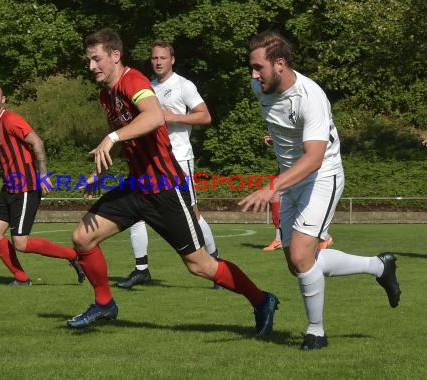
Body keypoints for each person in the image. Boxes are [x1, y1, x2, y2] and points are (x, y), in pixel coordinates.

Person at [66, 28, 279, 335]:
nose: (91, 67)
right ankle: (104, 304)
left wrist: (110, 137)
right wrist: (98, 173)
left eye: (96, 59)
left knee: (200, 266)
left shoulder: (134, 81)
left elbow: (154, 117)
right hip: (136, 186)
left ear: (115, 56)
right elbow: (131, 142)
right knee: (82, 238)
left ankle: (262, 300)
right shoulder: (107, 94)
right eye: (88, 61)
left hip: (165, 189)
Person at [239, 30, 401, 350]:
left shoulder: (310, 96)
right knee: (298, 263)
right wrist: (278, 138)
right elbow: (281, 119)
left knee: (302, 257)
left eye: (258, 67)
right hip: (290, 178)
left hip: (321, 175)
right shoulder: (260, 87)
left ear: (280, 64)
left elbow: (313, 158)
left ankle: (316, 332)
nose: (253, 74)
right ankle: (380, 266)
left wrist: (271, 186)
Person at [0, 83, 85, 286]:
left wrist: (43, 174)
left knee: (21, 242)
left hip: (26, 187)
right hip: (9, 187)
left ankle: (72, 255)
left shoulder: (11, 120)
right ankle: (21, 278)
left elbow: (37, 142)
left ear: (3, 99)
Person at [118, 40, 220, 290]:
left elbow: (205, 116)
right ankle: (141, 269)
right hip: (150, 161)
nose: (158, 62)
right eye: (154, 58)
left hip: (179, 158)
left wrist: (174, 117)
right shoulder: (146, 87)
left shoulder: (183, 85)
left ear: (172, 59)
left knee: (193, 214)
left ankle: (216, 264)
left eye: (163, 57)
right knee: (137, 213)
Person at [261, 134, 333, 252]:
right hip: (288, 166)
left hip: (301, 165)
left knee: (293, 199)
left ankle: (324, 236)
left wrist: (278, 138)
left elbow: (303, 140)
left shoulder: (307, 121)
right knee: (277, 196)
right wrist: (275, 139)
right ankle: (280, 238)